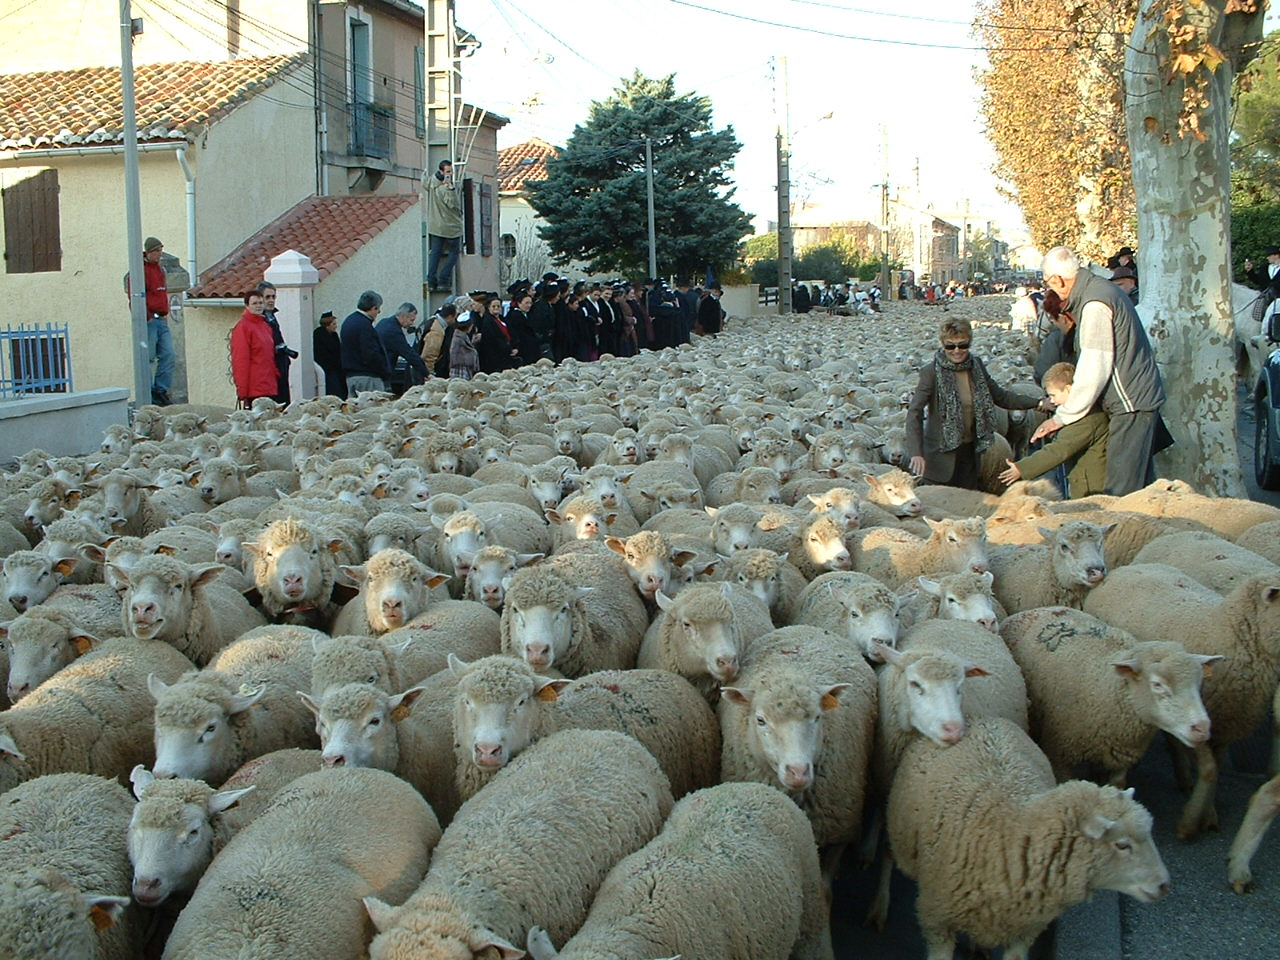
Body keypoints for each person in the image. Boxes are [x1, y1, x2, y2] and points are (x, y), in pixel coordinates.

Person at [1032, 246, 1166, 496]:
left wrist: (1062, 417)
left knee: (1122, 490)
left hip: (1130, 403)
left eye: (1049, 283)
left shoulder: (1094, 303)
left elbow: (1095, 366)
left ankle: (1126, 534)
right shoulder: (1101, 291)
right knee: (1140, 484)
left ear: (1057, 280)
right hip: (1137, 398)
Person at [906, 316, 1042, 489]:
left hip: (969, 454)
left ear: (969, 343)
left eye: (963, 345)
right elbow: (914, 412)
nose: (957, 350)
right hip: (939, 458)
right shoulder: (931, 372)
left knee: (968, 506)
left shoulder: (975, 366)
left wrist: (1037, 403)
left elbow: (1001, 396)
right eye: (950, 346)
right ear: (942, 345)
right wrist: (916, 453)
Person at [999, 362, 1108, 498]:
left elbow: (1058, 451)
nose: (1052, 401)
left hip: (1091, 487)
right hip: (1082, 479)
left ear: (1068, 389)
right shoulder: (1078, 415)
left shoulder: (1086, 420)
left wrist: (1021, 468)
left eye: (1053, 395)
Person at [125, 236, 177, 406]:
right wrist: (146, 316)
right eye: (157, 251)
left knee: (169, 354)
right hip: (150, 319)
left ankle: (160, 389)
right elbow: (135, 295)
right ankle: (148, 391)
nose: (159, 254)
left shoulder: (159, 270)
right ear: (149, 252)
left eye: (160, 250)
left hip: (161, 318)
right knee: (147, 357)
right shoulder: (140, 270)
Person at [229, 291, 278, 408]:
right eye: (255, 303)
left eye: (261, 303)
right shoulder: (243, 327)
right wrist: (242, 391)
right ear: (247, 305)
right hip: (254, 387)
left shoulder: (265, 326)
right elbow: (240, 360)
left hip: (269, 385)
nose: (258, 306)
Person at [340, 290, 391, 394]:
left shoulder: (348, 321)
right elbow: (371, 353)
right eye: (378, 309)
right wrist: (384, 371)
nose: (378, 313)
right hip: (368, 377)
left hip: (351, 376)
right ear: (373, 308)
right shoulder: (365, 326)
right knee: (373, 409)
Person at [376, 302, 431, 395]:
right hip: (383, 372)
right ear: (404, 316)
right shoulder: (394, 331)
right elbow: (408, 353)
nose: (412, 323)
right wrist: (426, 373)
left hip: (377, 368)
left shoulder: (383, 322)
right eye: (411, 320)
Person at [257, 282, 297, 406]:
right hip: (268, 374)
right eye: (267, 297)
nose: (271, 300)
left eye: (273, 297)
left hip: (281, 368)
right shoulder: (258, 320)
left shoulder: (272, 317)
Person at [426, 160, 463, 291]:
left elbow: (425, 181)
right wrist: (452, 190)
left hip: (435, 225)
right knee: (454, 253)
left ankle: (430, 281)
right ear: (442, 172)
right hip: (451, 226)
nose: (451, 174)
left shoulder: (431, 183)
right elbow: (453, 204)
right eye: (448, 171)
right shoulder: (445, 188)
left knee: (435, 253)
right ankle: (443, 279)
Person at [1032, 290, 1078, 384]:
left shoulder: (1056, 339)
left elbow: (1042, 373)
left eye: (1052, 318)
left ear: (1063, 318)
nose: (1053, 322)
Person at [477, 295, 518, 373]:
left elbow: (512, 334)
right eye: (493, 306)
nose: (496, 308)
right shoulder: (487, 321)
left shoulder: (504, 319)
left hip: (508, 355)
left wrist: (515, 347)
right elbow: (494, 339)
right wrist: (508, 349)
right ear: (489, 307)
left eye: (498, 306)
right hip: (496, 358)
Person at [312, 310, 346, 399]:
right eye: (334, 324)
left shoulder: (334, 335)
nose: (336, 326)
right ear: (327, 325)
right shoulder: (319, 335)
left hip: (335, 368)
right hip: (327, 368)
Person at [506, 292, 540, 366]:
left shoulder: (527, 314)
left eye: (530, 303)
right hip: (523, 349)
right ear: (519, 303)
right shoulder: (514, 316)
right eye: (526, 303)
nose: (529, 305)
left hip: (530, 348)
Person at [448, 312, 480, 380]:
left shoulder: (463, 336)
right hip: (460, 370)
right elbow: (455, 353)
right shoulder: (458, 338)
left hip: (464, 368)